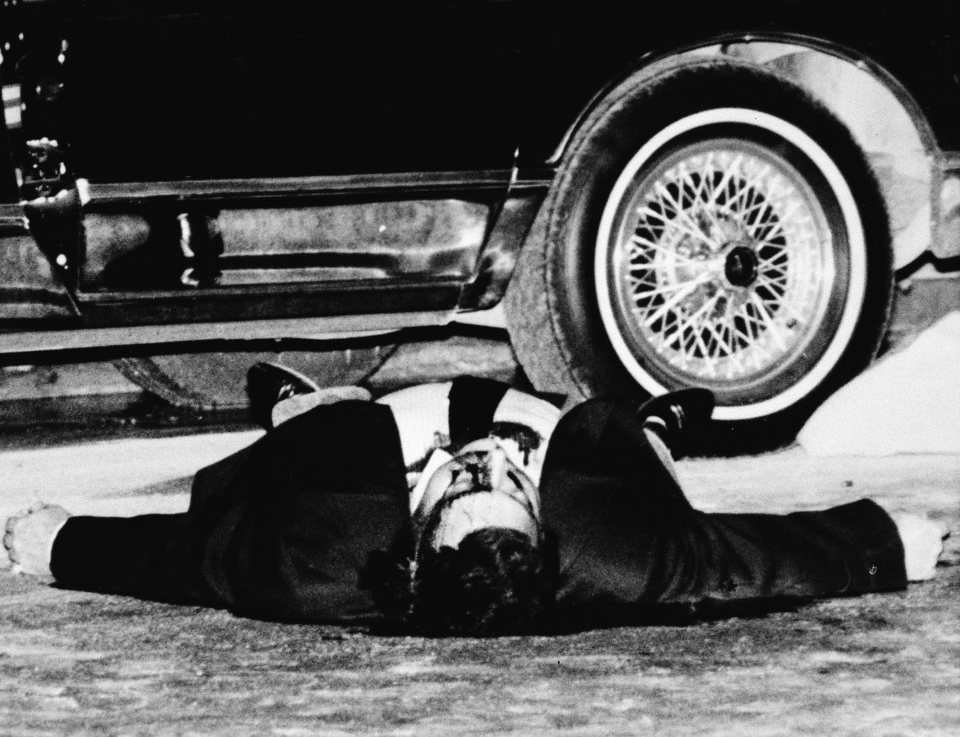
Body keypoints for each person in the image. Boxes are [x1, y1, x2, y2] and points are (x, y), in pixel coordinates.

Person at [3, 366, 947, 636]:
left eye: (468, 484)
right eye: (503, 485)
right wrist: (884, 541)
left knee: (302, 449)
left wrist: (62, 543)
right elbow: (741, 558)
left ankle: (305, 400)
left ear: (416, 545)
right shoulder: (609, 551)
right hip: (555, 427)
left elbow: (184, 562)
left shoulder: (320, 553)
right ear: (545, 532)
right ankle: (653, 425)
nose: (482, 463)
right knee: (648, 473)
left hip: (369, 445)